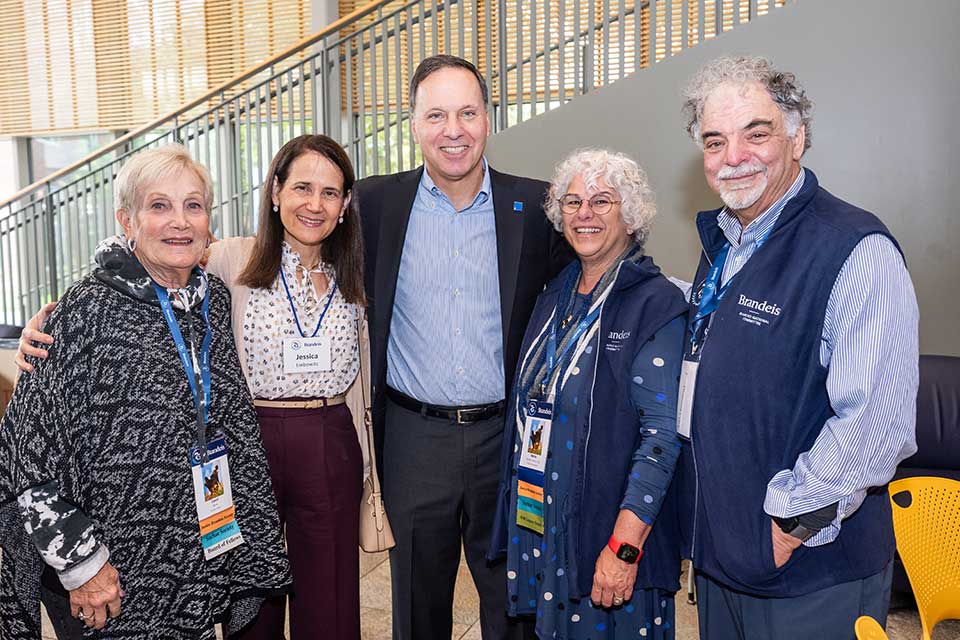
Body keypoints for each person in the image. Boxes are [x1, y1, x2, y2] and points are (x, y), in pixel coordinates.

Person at [15, 134, 371, 639]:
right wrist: (48, 325)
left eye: (193, 206)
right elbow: (33, 447)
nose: (180, 221)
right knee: (252, 612)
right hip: (224, 463)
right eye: (159, 206)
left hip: (259, 459)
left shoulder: (215, 295)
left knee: (308, 596)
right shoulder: (230, 260)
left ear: (345, 204)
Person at [674, 55, 919, 639]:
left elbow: (876, 424)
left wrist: (788, 523)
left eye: (755, 134)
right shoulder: (725, 245)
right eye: (715, 141)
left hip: (806, 570)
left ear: (797, 137)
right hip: (723, 558)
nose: (733, 158)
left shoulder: (855, 249)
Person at [356, 55, 573, 640]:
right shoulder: (374, 206)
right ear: (414, 123)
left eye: (467, 112)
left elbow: (597, 268)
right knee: (417, 605)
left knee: (512, 603)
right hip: (412, 439)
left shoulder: (536, 206)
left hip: (507, 439)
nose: (453, 129)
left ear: (488, 117)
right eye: (437, 115)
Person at [488, 148, 688, 639]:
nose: (585, 215)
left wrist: (624, 548)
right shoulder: (556, 292)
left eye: (602, 201)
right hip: (547, 522)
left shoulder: (654, 302)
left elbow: (661, 437)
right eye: (573, 202)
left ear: (631, 213)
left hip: (608, 530)